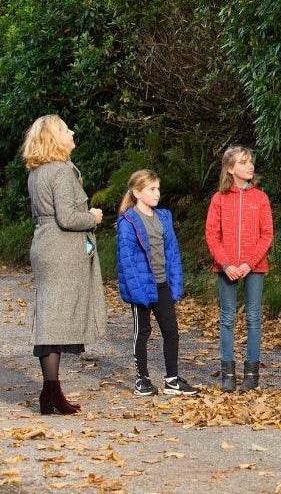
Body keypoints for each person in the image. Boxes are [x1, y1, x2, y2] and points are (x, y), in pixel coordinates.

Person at [21, 115, 107, 415]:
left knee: (50, 316)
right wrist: (93, 218)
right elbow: (68, 218)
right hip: (60, 247)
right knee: (53, 320)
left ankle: (52, 392)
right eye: (65, 129)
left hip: (45, 243)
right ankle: (50, 393)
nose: (71, 131)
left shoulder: (38, 172)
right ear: (54, 139)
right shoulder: (60, 171)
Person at [116, 170, 199, 398]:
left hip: (162, 284)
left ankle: (172, 379)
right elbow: (127, 259)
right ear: (137, 192)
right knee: (142, 333)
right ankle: (142, 379)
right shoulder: (128, 221)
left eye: (158, 188)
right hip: (141, 287)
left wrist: (175, 282)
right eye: (152, 189)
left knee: (171, 331)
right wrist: (136, 291)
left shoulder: (163, 217)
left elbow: (172, 252)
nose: (157, 193)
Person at [205, 146, 274, 392]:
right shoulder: (219, 199)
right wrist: (226, 264)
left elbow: (267, 235)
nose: (250, 165)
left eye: (251, 161)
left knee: (253, 317)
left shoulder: (261, 198)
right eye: (244, 162)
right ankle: (228, 374)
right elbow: (212, 235)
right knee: (227, 318)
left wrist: (248, 263)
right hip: (226, 268)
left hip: (254, 267)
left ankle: (252, 375)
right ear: (231, 168)